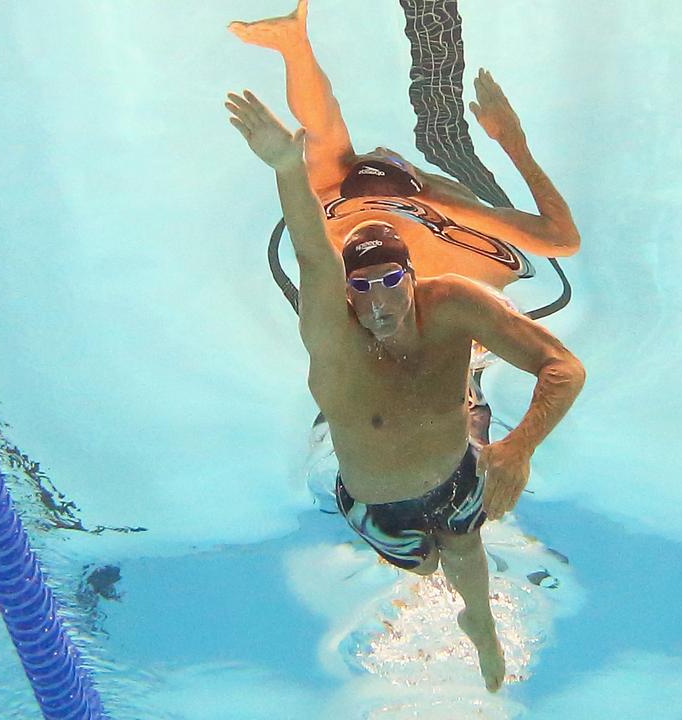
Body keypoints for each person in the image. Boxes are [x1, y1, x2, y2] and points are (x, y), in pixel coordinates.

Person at [225, 89, 585, 692]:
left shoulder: (453, 304)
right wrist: (289, 169)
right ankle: (440, 583)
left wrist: (519, 447)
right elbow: (315, 258)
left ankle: (482, 625)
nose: (377, 300)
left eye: (391, 279)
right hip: (375, 507)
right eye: (361, 286)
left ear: (413, 276)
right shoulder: (333, 334)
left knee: (465, 552)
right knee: (422, 567)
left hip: (457, 472)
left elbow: (563, 368)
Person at [228, 0, 580, 293]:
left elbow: (323, 125)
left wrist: (294, 49)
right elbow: (562, 241)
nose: (381, 151)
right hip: (450, 254)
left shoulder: (334, 201)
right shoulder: (446, 214)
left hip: (424, 252)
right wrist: (512, 142)